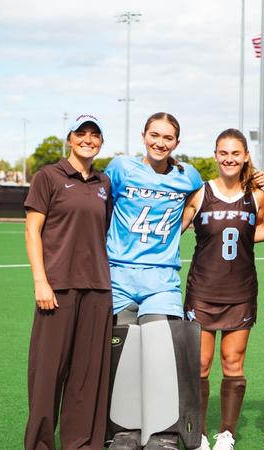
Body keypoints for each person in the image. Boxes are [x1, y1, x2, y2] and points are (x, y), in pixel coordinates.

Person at [105, 112, 205, 450]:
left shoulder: (187, 175)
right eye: (154, 135)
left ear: (177, 142)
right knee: (125, 354)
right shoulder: (121, 168)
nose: (160, 143)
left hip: (161, 278)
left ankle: (162, 432)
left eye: (167, 137)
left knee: (160, 353)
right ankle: (126, 430)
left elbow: (199, 197)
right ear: (143, 135)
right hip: (119, 275)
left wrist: (182, 223)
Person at [181, 129, 264, 450]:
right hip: (202, 292)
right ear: (215, 155)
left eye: (236, 153)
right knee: (201, 365)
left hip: (240, 293)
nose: (229, 159)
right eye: (224, 153)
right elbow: (174, 228)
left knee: (233, 364)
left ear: (246, 156)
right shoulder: (200, 193)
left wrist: (244, 234)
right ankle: (198, 433)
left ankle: (226, 434)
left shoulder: (256, 195)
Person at [23, 115, 113, 450]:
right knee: (47, 375)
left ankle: (81, 444)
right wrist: (40, 281)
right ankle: (41, 444)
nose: (88, 139)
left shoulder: (105, 183)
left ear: (101, 141)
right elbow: (32, 230)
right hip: (57, 289)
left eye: (95, 134)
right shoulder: (48, 176)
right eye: (81, 133)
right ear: (70, 139)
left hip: (98, 289)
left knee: (87, 377)